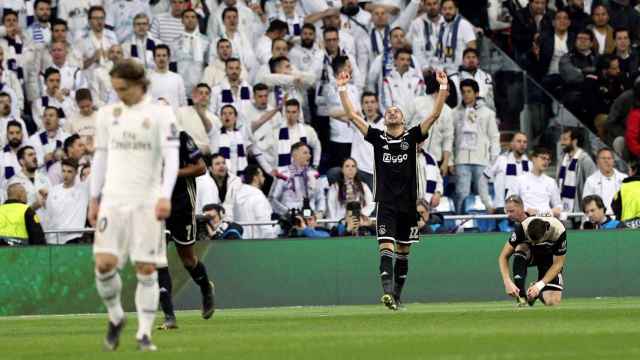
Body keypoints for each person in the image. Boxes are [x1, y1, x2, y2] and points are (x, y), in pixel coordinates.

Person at [336, 69, 449, 310]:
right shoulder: (377, 137)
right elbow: (352, 115)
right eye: (389, 111)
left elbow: (436, 113)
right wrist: (343, 89)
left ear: (404, 120)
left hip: (408, 205)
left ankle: (397, 296)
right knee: (385, 247)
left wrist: (442, 88)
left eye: (396, 110)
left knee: (404, 252)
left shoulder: (412, 137)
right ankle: (387, 293)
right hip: (385, 204)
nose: (391, 112)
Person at [88, 59, 179, 351]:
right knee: (104, 265)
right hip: (113, 200)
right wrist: (94, 197)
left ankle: (144, 333)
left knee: (146, 269)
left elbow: (172, 158)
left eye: (123, 89)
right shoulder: (107, 114)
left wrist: (165, 194)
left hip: (146, 202)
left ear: (140, 84)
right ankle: (116, 317)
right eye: (114, 89)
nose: (118, 95)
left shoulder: (161, 114)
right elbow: (100, 157)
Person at [157, 130, 215, 331]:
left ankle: (205, 287)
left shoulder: (181, 138)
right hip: (156, 205)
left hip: (182, 204)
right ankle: (169, 316)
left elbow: (201, 167)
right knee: (158, 258)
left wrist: (173, 173)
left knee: (188, 259)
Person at [498, 216, 567, 307]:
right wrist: (507, 281)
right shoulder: (523, 228)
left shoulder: (559, 231)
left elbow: (558, 263)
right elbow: (503, 256)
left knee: (552, 302)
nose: (533, 244)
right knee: (521, 248)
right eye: (531, 240)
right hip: (530, 253)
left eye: (536, 242)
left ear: (545, 234)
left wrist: (539, 286)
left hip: (549, 257)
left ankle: (535, 291)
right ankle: (522, 297)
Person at [270, 142, 326, 217]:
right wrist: (287, 213)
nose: (309, 156)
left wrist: (320, 212)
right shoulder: (283, 174)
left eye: (309, 153)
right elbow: (272, 199)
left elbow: (321, 197)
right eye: (305, 153)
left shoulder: (314, 174)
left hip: (311, 219)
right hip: (290, 220)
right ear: (294, 155)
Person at [481, 132, 530, 213]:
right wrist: (487, 203)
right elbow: (483, 180)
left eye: (525, 142)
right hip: (502, 208)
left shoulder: (529, 164)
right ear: (512, 144)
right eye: (519, 141)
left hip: (523, 209)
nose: (522, 144)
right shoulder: (500, 160)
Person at [44, 159, 89, 244]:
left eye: (69, 172)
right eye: (63, 171)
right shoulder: (53, 190)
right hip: (54, 238)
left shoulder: (83, 191)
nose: (65, 175)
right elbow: (49, 215)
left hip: (73, 237)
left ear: (76, 173)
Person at [508, 147, 562, 218]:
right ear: (533, 159)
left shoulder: (551, 182)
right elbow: (510, 203)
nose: (546, 162)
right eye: (543, 158)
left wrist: (556, 210)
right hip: (525, 221)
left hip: (547, 222)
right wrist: (525, 210)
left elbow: (558, 205)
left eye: (548, 159)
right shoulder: (519, 180)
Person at [557, 127, 597, 214]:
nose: (562, 143)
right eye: (561, 139)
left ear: (574, 141)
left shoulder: (585, 160)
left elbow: (593, 185)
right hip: (562, 209)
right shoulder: (562, 159)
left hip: (580, 210)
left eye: (565, 139)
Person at [234, 165, 277, 239]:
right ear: (255, 178)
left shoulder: (236, 196)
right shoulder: (258, 197)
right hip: (256, 243)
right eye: (262, 175)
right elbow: (265, 224)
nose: (264, 178)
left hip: (239, 241)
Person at [195, 153, 243, 219]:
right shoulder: (203, 182)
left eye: (223, 163)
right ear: (210, 168)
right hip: (206, 221)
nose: (222, 166)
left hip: (232, 221)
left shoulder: (236, 181)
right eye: (217, 164)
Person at [582, 148, 627, 214]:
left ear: (613, 161)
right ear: (597, 161)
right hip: (599, 220)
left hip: (620, 219)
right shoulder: (591, 180)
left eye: (609, 158)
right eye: (603, 158)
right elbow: (587, 203)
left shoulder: (624, 178)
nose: (606, 161)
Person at [612, 160, 640, 228]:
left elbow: (614, 206)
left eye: (629, 170)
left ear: (633, 171)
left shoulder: (622, 189)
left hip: (627, 228)